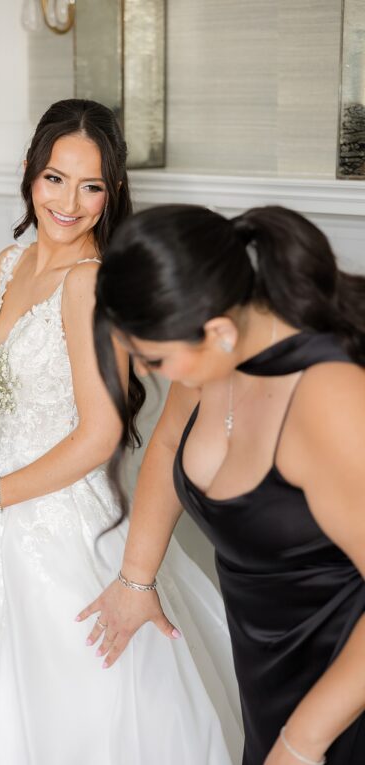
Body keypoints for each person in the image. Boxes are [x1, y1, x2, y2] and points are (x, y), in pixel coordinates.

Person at [0, 100, 243, 763]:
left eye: (91, 185)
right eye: (55, 179)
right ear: (31, 174)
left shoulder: (92, 282)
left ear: (113, 191)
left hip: (51, 508)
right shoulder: (10, 263)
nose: (69, 201)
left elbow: (100, 433)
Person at [83, 204, 365, 765]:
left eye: (153, 358)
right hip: (270, 681)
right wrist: (135, 579)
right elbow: (168, 446)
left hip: (341, 696)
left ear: (216, 330)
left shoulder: (329, 399)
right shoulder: (216, 355)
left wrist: (302, 742)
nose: (146, 374)